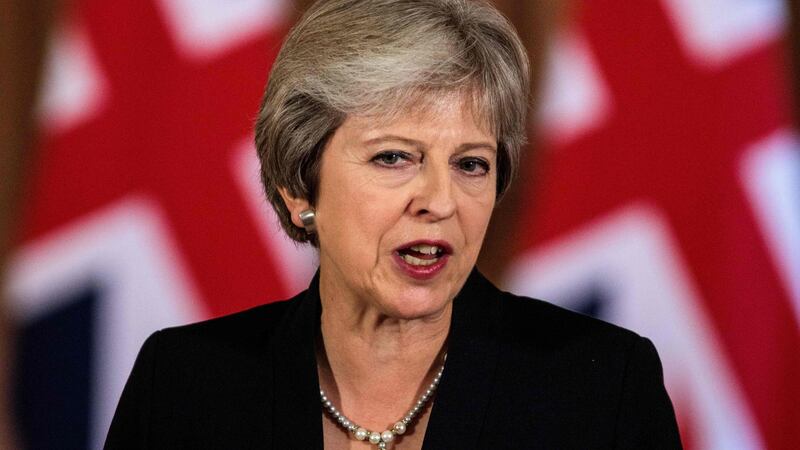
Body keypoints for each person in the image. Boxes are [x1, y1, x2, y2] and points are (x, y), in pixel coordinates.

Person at [105, 0, 682, 448]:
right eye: (393, 157)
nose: (439, 200)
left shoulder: (601, 389)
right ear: (299, 186)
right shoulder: (185, 386)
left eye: (471, 164)